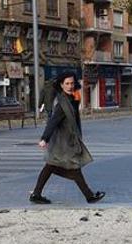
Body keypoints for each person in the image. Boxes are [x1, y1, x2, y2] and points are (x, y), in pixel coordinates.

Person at [30, 72, 104, 205]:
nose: (70, 86)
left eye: (72, 83)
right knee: (73, 168)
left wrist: (77, 97)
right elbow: (52, 122)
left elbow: (74, 113)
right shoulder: (62, 103)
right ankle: (89, 196)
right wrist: (44, 138)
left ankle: (36, 194)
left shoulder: (71, 98)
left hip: (67, 140)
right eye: (67, 84)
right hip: (63, 142)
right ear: (61, 85)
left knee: (51, 167)